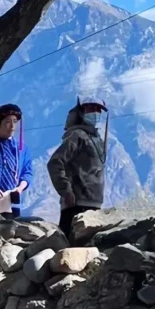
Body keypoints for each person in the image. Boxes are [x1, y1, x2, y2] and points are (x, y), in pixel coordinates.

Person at [47, 99, 108, 237]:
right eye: (91, 109)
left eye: (98, 110)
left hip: (94, 203)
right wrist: (66, 190)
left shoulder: (97, 139)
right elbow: (55, 163)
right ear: (80, 113)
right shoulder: (77, 136)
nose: (96, 113)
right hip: (76, 204)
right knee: (70, 251)